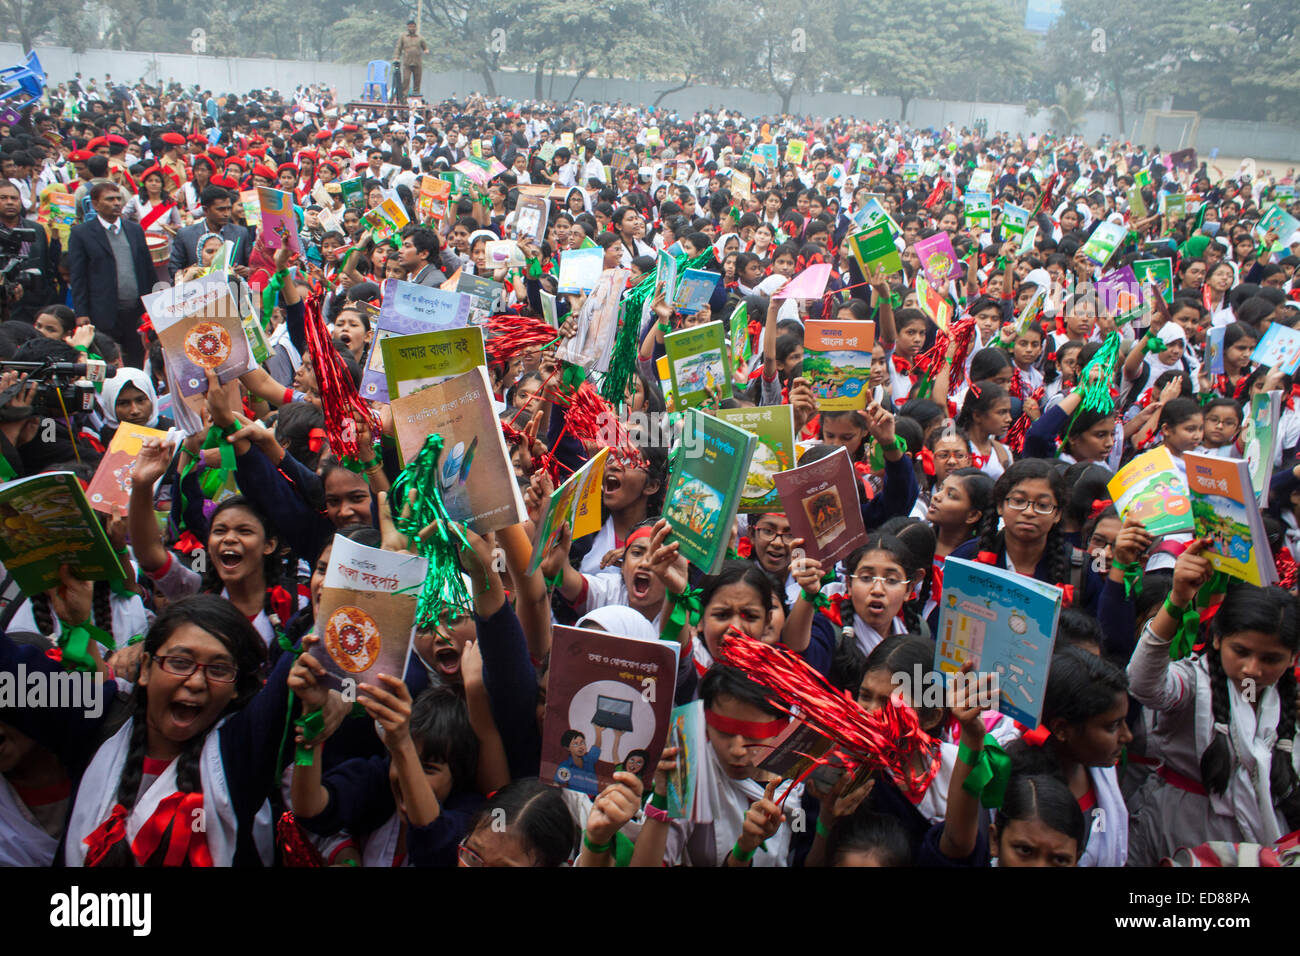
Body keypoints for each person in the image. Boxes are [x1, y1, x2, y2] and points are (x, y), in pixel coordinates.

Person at [66, 180, 156, 368]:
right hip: (103, 310)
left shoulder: (134, 230)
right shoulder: (82, 233)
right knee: (107, 361)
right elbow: (78, 276)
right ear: (96, 204)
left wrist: (153, 303)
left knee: (137, 357)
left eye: (118, 199)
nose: (116, 203)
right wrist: (81, 312)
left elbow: (148, 269)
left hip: (136, 310)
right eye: (109, 199)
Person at [394, 20, 429, 99]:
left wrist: (426, 50)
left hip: (417, 62)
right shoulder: (403, 37)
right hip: (407, 62)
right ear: (407, 27)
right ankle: (404, 95)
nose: (412, 28)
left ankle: (416, 94)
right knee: (406, 79)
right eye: (410, 26)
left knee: (417, 79)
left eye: (413, 26)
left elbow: (425, 47)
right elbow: (398, 47)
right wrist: (396, 57)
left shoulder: (420, 38)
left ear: (415, 27)